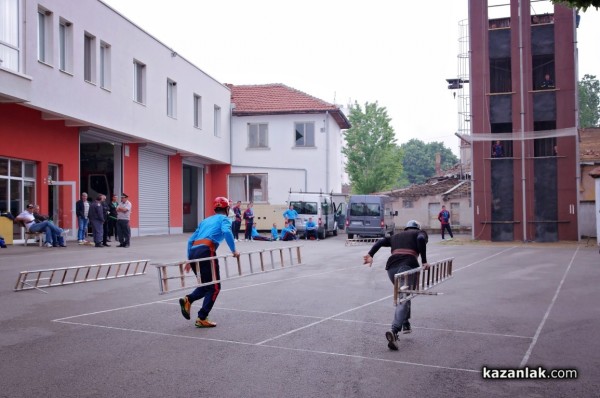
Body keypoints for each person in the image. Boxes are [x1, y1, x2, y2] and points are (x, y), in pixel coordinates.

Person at [363, 220, 429, 351]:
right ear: (417, 228)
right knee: (404, 297)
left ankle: (406, 323)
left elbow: (381, 241)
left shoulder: (396, 236)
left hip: (391, 269)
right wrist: (424, 261)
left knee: (405, 295)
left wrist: (370, 254)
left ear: (406, 228)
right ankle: (394, 330)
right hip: (406, 266)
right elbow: (421, 239)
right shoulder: (420, 233)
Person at [178, 197, 240, 328]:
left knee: (206, 285)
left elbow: (190, 240)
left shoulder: (205, 221)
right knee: (215, 287)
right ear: (227, 209)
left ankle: (188, 299)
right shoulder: (224, 219)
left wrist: (190, 259)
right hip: (206, 250)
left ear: (215, 209)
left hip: (194, 252)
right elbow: (227, 231)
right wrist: (234, 250)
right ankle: (202, 317)